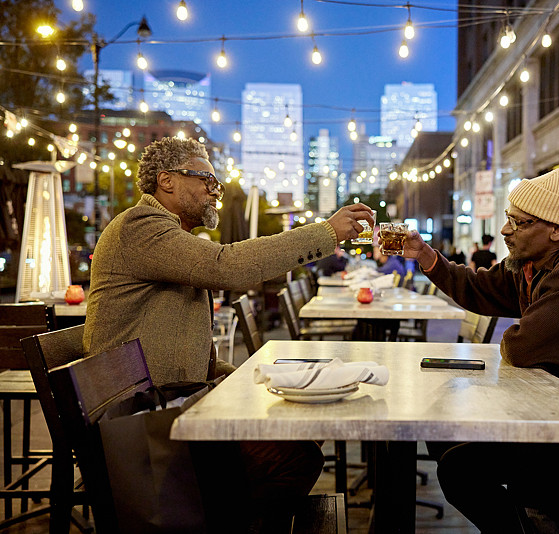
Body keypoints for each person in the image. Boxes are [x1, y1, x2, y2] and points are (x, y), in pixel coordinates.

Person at [83, 136, 374, 532]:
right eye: (206, 179)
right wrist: (325, 232)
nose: (214, 191)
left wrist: (248, 380)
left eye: (216, 183)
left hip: (173, 407)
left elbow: (188, 348)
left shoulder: (169, 236)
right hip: (146, 429)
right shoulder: (141, 228)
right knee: (296, 456)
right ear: (166, 181)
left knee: (302, 427)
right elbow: (227, 266)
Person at [385, 168, 559, 533]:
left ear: (558, 229)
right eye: (509, 219)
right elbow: (478, 288)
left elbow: (519, 347)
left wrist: (518, 332)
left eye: (519, 223)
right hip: (555, 408)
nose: (506, 230)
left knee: (460, 468)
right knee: (443, 434)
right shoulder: (533, 263)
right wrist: (426, 255)